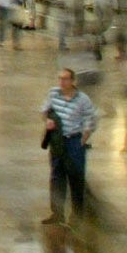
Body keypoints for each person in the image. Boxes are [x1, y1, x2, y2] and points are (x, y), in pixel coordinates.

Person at [41, 69, 98, 224]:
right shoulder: (53, 93)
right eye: (60, 79)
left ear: (73, 81)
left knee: (76, 178)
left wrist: (84, 137)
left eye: (65, 79)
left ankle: (77, 215)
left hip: (74, 141)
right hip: (58, 141)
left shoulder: (82, 99)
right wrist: (48, 120)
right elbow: (44, 110)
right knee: (56, 177)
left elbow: (90, 118)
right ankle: (57, 214)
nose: (62, 82)